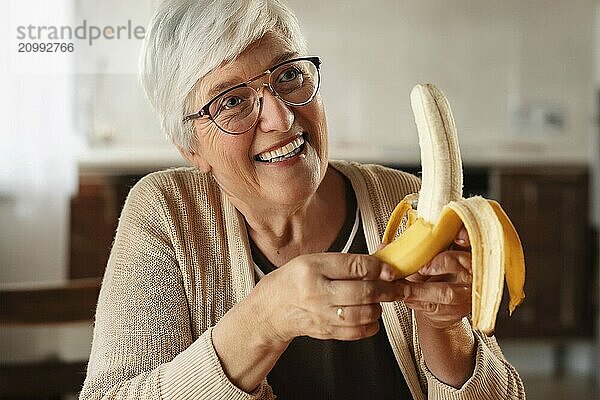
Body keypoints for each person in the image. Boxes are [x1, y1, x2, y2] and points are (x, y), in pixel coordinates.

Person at [80, 0, 525, 399]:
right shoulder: (166, 213)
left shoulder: (403, 202)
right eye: (232, 101)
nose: (281, 117)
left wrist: (445, 331)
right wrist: (265, 321)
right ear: (190, 149)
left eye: (289, 75)